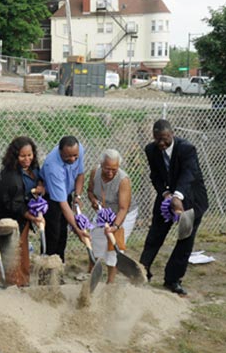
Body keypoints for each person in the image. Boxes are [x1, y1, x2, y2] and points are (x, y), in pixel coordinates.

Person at [139, 119, 208, 295]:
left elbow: (189, 174)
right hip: (167, 196)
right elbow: (155, 176)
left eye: (165, 139)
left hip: (190, 197)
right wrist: (166, 195)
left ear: (172, 134)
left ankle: (172, 279)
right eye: (157, 139)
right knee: (155, 234)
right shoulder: (151, 150)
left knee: (185, 239)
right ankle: (141, 271)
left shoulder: (187, 149)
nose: (161, 143)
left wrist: (177, 196)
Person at [0, 136, 45, 287]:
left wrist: (40, 186)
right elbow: (14, 205)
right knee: (12, 249)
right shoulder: (10, 176)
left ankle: (24, 281)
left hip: (23, 214)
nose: (27, 159)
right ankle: (13, 283)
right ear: (15, 156)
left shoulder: (33, 167)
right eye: (22, 156)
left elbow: (39, 177)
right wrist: (33, 218)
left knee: (23, 247)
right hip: (7, 216)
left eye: (29, 155)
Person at [87, 149, 138, 284]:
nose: (110, 173)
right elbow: (90, 191)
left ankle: (110, 283)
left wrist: (115, 226)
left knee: (113, 248)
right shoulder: (95, 172)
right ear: (101, 165)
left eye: (114, 170)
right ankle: (91, 276)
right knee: (96, 242)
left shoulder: (123, 180)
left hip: (123, 215)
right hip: (103, 211)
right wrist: (93, 200)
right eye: (107, 169)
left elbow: (123, 208)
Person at [40, 136, 91, 263]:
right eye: (68, 157)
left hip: (66, 194)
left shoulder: (78, 150)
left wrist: (77, 196)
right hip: (51, 198)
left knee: (63, 233)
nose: (73, 159)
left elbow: (80, 174)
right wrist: (77, 230)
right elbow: (62, 204)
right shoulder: (52, 166)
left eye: (75, 156)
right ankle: (47, 268)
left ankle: (60, 266)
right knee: (53, 234)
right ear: (60, 151)